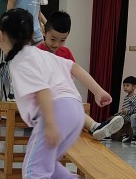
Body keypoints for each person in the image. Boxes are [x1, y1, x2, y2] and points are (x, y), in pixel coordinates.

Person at [0, 9, 112, 179]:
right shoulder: (41, 55)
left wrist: (49, 124)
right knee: (46, 164)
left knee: (33, 168)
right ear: (33, 35)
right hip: (75, 112)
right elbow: (74, 67)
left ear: (1, 36)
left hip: (56, 112)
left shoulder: (20, 60)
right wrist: (98, 91)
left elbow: (42, 91)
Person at [38, 11, 123, 141]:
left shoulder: (65, 53)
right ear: (44, 32)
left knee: (70, 105)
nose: (56, 44)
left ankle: (95, 126)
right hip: (44, 97)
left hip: (63, 95)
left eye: (62, 40)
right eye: (53, 39)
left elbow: (76, 71)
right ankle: (94, 126)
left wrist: (98, 92)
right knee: (65, 106)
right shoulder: (37, 53)